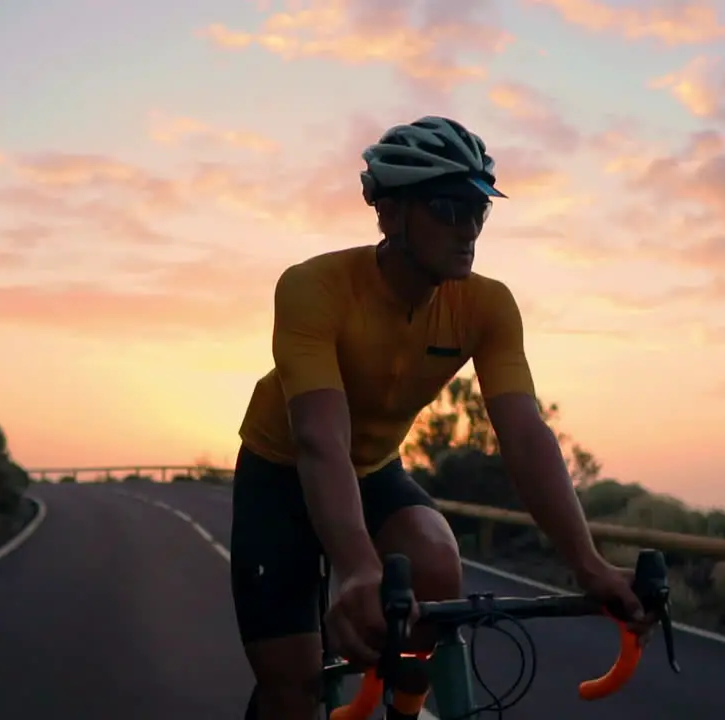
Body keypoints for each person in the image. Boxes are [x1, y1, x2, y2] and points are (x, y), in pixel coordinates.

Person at [229, 115, 653, 720]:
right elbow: (319, 437)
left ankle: (404, 704)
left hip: (373, 469)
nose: (470, 229)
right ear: (391, 213)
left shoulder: (487, 304)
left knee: (435, 562)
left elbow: (526, 437)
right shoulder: (313, 287)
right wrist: (355, 568)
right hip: (282, 474)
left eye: (479, 210)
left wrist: (587, 564)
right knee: (291, 692)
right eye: (449, 209)